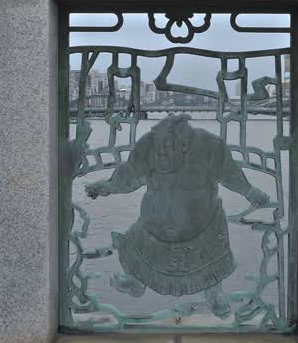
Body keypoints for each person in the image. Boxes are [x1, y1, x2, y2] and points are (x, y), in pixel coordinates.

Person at [86, 114, 269, 318]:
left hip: (202, 224)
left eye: (169, 146)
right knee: (138, 248)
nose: (163, 151)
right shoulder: (148, 145)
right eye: (161, 146)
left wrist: (249, 191)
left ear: (184, 143)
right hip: (155, 222)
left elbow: (229, 172)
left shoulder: (209, 146)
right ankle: (136, 282)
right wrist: (109, 186)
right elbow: (131, 174)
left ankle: (214, 294)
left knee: (210, 264)